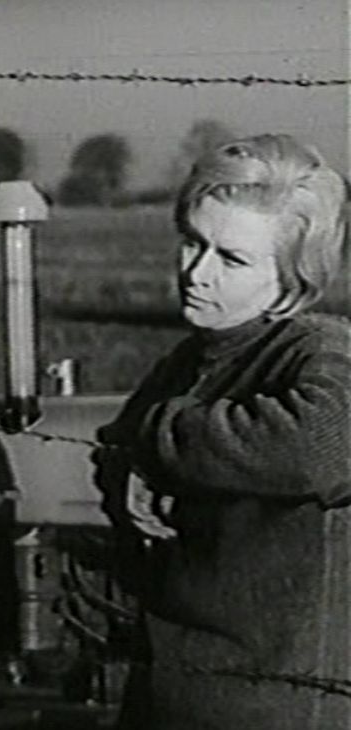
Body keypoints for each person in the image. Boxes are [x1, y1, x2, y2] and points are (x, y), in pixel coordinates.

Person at [95, 133, 351, 729]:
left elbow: (319, 448)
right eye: (192, 242)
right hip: (176, 684)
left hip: (277, 704)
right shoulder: (194, 357)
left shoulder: (317, 351)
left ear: (293, 276)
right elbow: (114, 447)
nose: (196, 272)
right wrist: (125, 470)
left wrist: (155, 441)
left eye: (231, 259)